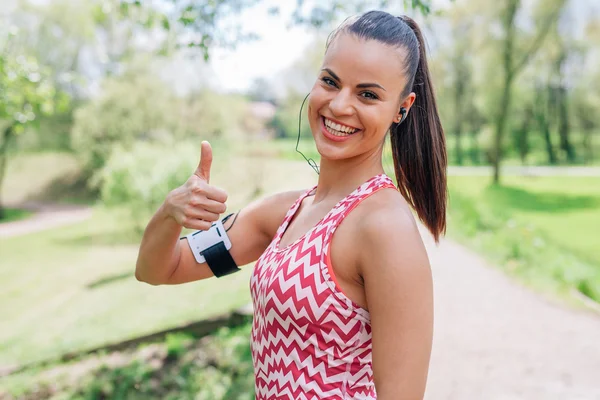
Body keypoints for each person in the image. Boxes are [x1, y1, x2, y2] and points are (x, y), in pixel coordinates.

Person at [135, 10, 447, 400]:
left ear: (402, 107)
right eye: (330, 82)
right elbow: (158, 269)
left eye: (367, 94)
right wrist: (170, 212)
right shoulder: (281, 214)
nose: (338, 105)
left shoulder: (385, 228)